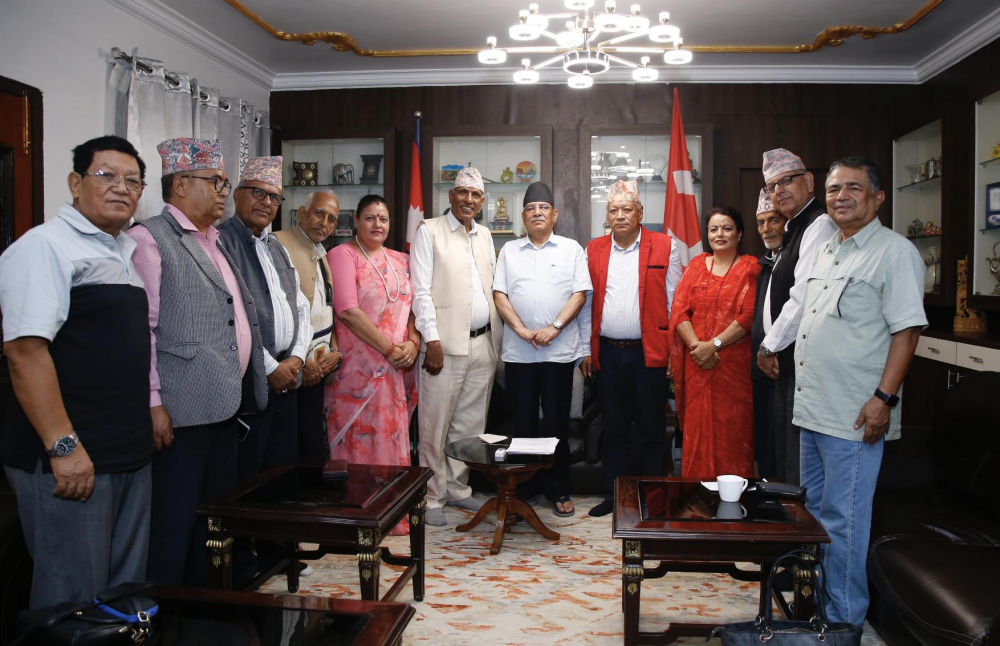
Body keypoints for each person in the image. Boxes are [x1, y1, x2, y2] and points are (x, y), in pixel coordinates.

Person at [0, 136, 153, 608]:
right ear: (74, 182)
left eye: (133, 181)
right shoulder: (44, 247)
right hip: (72, 457)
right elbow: (24, 353)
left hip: (126, 453)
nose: (121, 188)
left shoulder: (123, 250)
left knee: (121, 597)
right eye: (106, 175)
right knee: (73, 601)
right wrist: (63, 448)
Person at [128, 138, 268, 586]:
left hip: (223, 407)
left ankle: (207, 606)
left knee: (213, 524)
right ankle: (167, 610)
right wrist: (153, 401)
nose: (224, 191)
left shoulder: (215, 240)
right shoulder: (149, 239)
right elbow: (144, 331)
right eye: (215, 182)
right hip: (181, 413)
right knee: (174, 525)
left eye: (225, 182)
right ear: (181, 185)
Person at [794, 157, 925, 625]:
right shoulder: (828, 249)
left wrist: (883, 399)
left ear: (878, 197)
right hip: (813, 409)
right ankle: (816, 608)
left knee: (843, 521)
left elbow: (907, 332)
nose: (841, 196)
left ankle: (844, 622)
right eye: (833, 189)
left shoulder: (895, 253)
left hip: (854, 414)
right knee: (813, 515)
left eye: (853, 187)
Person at [579, 179, 682, 518]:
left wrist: (674, 352)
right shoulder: (593, 249)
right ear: (607, 216)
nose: (620, 215)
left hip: (648, 352)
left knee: (652, 428)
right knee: (614, 427)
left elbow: (675, 302)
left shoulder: (665, 246)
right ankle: (615, 497)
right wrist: (586, 350)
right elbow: (586, 303)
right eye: (613, 210)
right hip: (608, 353)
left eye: (627, 209)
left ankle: (654, 500)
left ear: (640, 213)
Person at [493, 182, 591, 517]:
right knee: (523, 424)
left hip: (558, 353)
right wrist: (521, 330)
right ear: (523, 216)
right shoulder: (509, 251)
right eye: (531, 208)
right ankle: (525, 487)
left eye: (543, 207)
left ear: (555, 215)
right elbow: (499, 294)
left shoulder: (571, 249)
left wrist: (555, 327)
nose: (537, 212)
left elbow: (580, 294)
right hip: (518, 353)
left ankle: (557, 487)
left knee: (556, 423)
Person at [411, 167, 502, 527]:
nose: (468, 200)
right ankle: (431, 494)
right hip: (443, 346)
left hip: (483, 344)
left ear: (482, 201)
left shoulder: (485, 235)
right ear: (450, 196)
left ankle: (458, 488)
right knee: (434, 424)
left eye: (475, 195)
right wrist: (431, 338)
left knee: (469, 425)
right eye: (462, 192)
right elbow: (420, 291)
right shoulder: (429, 230)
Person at [217, 156, 311, 483]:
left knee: (282, 474)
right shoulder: (219, 243)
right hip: (251, 382)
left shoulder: (276, 246)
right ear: (236, 194)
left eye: (274, 197)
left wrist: (296, 358)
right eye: (257, 192)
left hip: (288, 379)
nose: (266, 202)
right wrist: (270, 368)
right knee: (248, 479)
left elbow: (300, 306)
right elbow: (227, 320)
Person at [326, 195, 419, 519]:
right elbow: (347, 311)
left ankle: (391, 512)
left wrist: (413, 343)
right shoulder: (342, 255)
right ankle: (360, 515)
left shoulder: (402, 260)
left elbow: (414, 308)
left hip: (396, 371)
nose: (377, 224)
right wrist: (390, 350)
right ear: (355, 221)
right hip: (357, 372)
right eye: (369, 217)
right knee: (359, 441)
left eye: (383, 218)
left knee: (389, 436)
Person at [755, 148, 837, 484]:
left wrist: (768, 347)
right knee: (785, 454)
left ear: (810, 181)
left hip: (802, 362)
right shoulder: (794, 228)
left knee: (799, 463)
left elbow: (803, 297)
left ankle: (800, 519)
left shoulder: (818, 225)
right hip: (788, 362)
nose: (779, 190)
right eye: (772, 186)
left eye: (787, 180)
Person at [669, 207, 759, 480]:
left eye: (727, 228)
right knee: (697, 432)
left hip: (732, 370)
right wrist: (698, 347)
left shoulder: (750, 268)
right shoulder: (697, 265)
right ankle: (695, 494)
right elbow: (679, 311)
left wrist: (714, 345)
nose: (720, 234)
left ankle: (733, 497)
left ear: (739, 234)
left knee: (733, 433)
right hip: (698, 365)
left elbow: (748, 316)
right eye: (713, 229)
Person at [274, 191, 343, 461]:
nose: (324, 223)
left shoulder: (320, 252)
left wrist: (335, 352)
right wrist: (301, 362)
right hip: (290, 369)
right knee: (289, 450)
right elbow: (274, 316)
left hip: (319, 366)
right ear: (301, 213)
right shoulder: (277, 244)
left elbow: (327, 310)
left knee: (312, 444)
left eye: (332, 219)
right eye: (319, 213)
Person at [750, 190, 787, 479]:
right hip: (761, 366)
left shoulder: (794, 261)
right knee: (764, 438)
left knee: (784, 442)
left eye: (773, 220)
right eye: (761, 223)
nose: (767, 229)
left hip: (784, 366)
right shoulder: (765, 263)